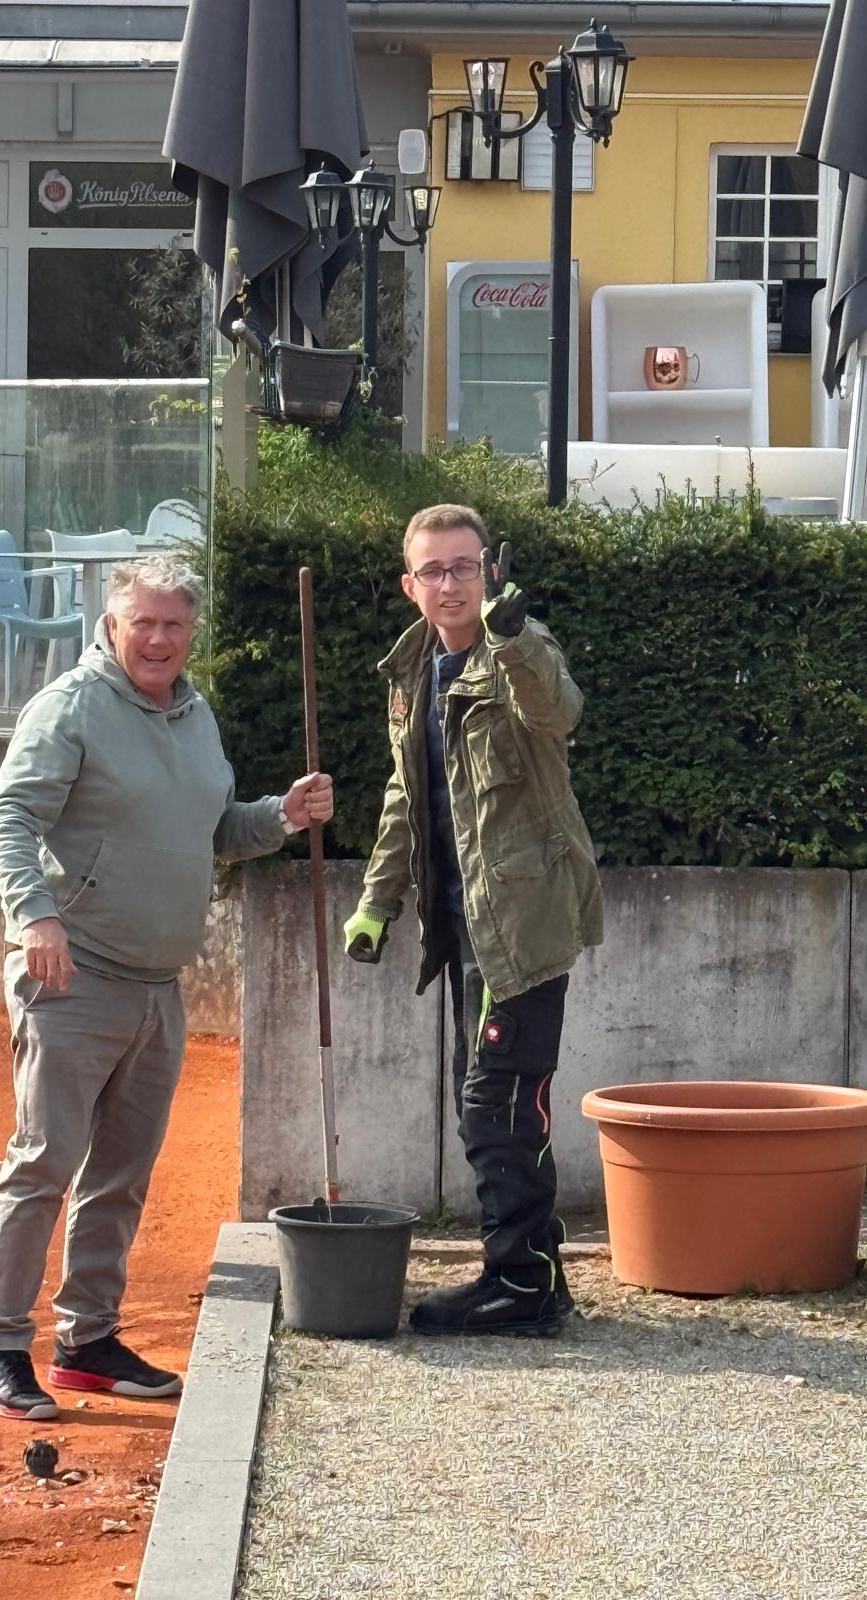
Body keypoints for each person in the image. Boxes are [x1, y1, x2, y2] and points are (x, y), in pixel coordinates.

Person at [0, 553, 334, 1419]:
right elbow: (8, 817)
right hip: (73, 975)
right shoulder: (72, 707)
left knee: (121, 1175)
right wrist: (35, 917)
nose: (159, 639)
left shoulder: (195, 717)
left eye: (174, 624)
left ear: (191, 631)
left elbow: (215, 830)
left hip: (158, 986)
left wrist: (281, 816)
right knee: (44, 1163)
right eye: (144, 623)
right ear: (112, 624)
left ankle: (87, 1341)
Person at [344, 504, 602, 1336]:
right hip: (462, 930)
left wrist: (514, 636)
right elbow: (406, 797)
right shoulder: (413, 668)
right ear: (409, 584)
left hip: (520, 927)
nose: (451, 584)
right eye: (434, 570)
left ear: (489, 570)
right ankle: (536, 1274)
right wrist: (376, 903)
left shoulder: (520, 647)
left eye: (465, 566)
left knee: (498, 1105)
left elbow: (557, 713)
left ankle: (519, 1284)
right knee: (492, 1101)